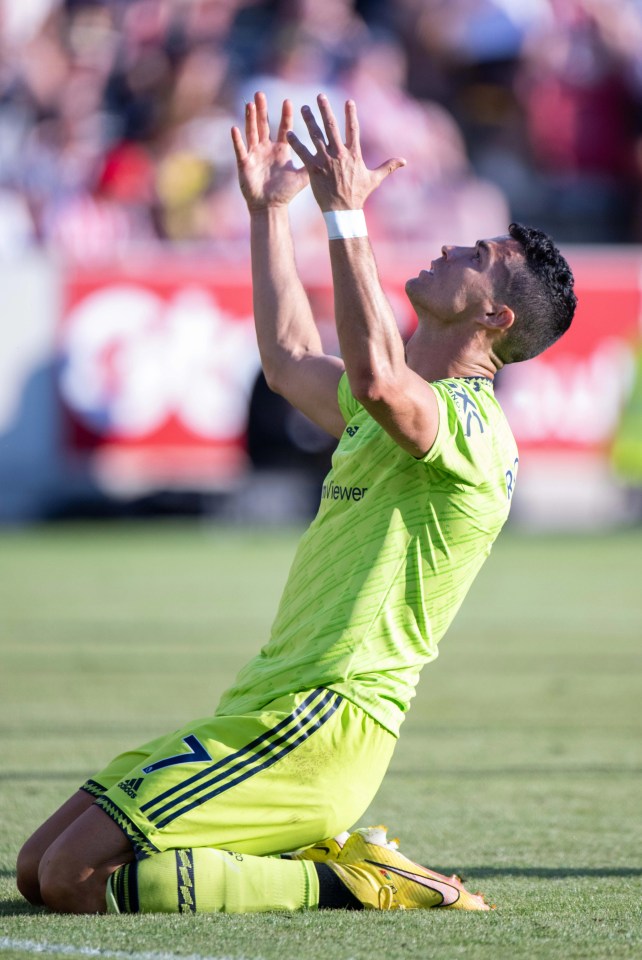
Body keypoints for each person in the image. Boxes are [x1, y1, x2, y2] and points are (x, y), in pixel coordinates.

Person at [16, 91, 577, 916]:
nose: (454, 245)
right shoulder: (383, 407)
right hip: (266, 706)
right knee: (35, 868)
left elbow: (384, 382)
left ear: (494, 319)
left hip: (326, 720)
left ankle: (349, 879)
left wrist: (345, 216)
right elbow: (285, 359)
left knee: (73, 883)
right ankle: (325, 856)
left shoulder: (472, 425)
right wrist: (267, 213)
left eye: (479, 255)